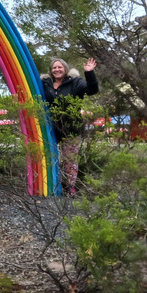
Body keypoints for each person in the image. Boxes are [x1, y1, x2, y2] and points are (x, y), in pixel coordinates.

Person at [42, 57, 98, 195]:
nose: (57, 69)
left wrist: (89, 73)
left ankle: (69, 188)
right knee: (48, 157)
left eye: (60, 67)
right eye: (54, 67)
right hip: (50, 128)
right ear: (51, 71)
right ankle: (48, 185)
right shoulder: (45, 83)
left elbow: (92, 90)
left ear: (65, 69)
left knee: (70, 160)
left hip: (71, 128)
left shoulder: (75, 82)